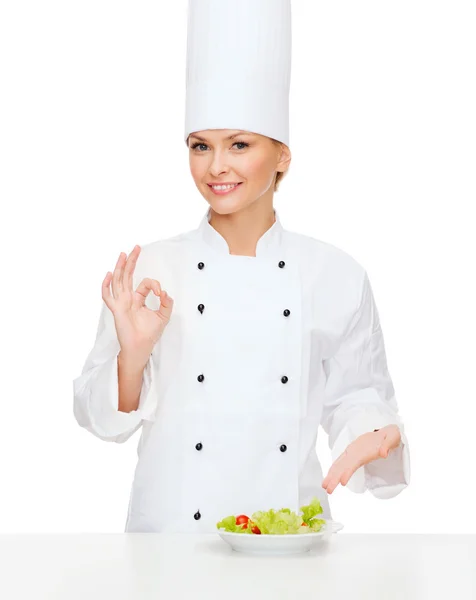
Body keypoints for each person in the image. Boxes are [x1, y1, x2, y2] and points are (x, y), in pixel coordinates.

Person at [73, 0, 410, 533]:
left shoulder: (336, 274)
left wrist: (377, 431)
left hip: (290, 536)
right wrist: (132, 359)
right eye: (200, 145)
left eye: (240, 144)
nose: (216, 166)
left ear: (282, 156)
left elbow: (358, 396)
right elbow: (99, 421)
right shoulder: (153, 268)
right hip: (171, 542)